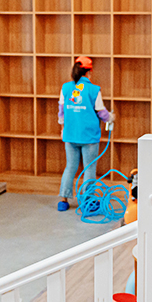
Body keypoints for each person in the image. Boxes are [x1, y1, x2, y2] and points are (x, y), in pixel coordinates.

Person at [57, 56, 114, 212]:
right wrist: (111, 117)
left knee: (70, 167)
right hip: (89, 137)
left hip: (70, 135)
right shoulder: (94, 90)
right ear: (90, 71)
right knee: (89, 168)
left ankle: (63, 200)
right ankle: (87, 201)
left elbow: (61, 112)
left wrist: (62, 129)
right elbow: (102, 113)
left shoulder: (65, 88)